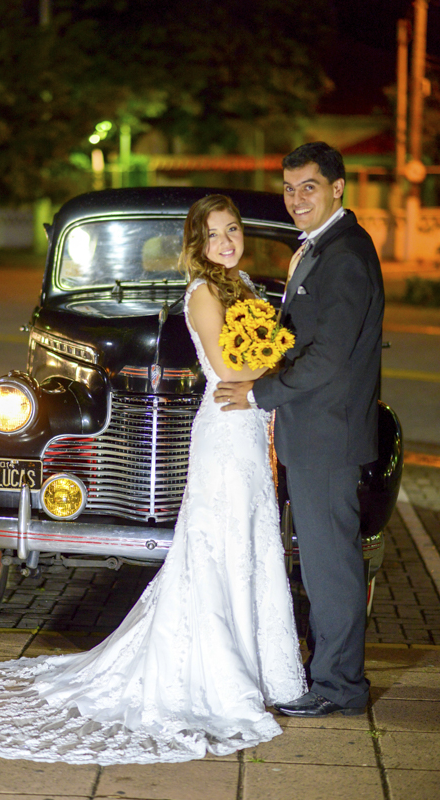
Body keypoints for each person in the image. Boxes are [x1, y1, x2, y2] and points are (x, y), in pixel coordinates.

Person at [0, 194, 306, 764]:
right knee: (219, 550)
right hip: (228, 422)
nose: (226, 241)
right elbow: (227, 368)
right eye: (214, 234)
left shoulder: (242, 287)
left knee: (244, 547)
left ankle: (254, 662)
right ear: (196, 245)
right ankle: (218, 668)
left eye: (233, 230)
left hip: (242, 428)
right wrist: (283, 367)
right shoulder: (203, 294)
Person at [214, 142, 384, 717]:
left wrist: (259, 392)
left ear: (338, 187)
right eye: (288, 189)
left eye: (307, 186)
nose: (295, 199)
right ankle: (331, 675)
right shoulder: (319, 248)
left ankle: (340, 687)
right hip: (314, 431)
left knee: (329, 563)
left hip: (328, 436)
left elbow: (328, 357)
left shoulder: (345, 255)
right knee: (318, 559)